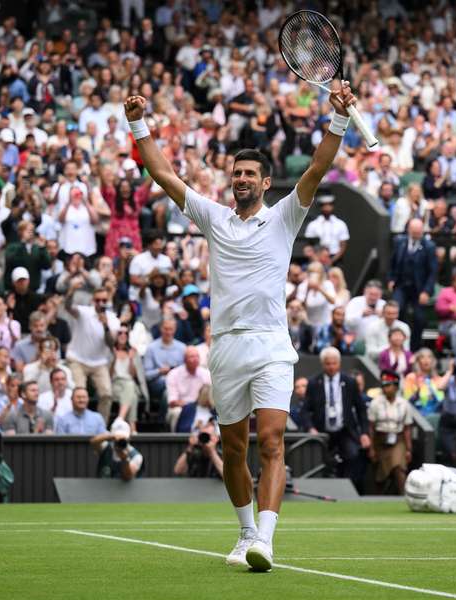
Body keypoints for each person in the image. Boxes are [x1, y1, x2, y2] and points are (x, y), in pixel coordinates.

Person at [125, 79, 356, 571]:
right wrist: (138, 123)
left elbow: (318, 167)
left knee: (271, 440)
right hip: (226, 348)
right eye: (237, 173)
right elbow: (163, 173)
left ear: (266, 182)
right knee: (234, 450)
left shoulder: (286, 216)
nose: (243, 179)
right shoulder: (214, 218)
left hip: (272, 346)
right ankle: (245, 532)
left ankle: (266, 541)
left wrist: (337, 117)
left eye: (251, 173)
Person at [300, 347, 370, 493]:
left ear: (339, 363)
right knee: (320, 460)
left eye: (334, 363)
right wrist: (310, 428)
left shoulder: (350, 382)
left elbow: (361, 409)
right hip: (321, 431)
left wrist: (364, 433)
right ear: (322, 364)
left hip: (345, 430)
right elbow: (305, 410)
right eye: (328, 364)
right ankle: (323, 490)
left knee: (353, 455)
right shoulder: (313, 383)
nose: (331, 367)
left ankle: (347, 489)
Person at [63, 283, 119, 424]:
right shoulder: (84, 312)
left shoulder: (113, 319)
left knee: (106, 394)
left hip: (99, 362)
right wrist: (71, 291)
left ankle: (100, 426)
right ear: (93, 301)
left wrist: (105, 325)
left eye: (104, 301)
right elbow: (68, 307)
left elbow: (111, 343)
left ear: (108, 302)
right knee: (79, 392)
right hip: (77, 359)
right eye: (98, 300)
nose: (101, 303)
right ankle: (76, 424)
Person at [388, 218, 438, 351]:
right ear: (409, 230)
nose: (416, 234)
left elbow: (433, 272)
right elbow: (392, 263)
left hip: (419, 288)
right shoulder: (400, 242)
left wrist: (426, 291)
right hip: (401, 284)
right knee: (397, 311)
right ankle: (396, 345)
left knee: (419, 318)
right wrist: (391, 279)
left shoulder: (429, 246)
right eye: (414, 231)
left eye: (419, 231)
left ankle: (414, 347)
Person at [367, 371, 414, 495]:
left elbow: (407, 428)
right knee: (381, 474)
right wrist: (372, 447)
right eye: (383, 385)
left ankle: (404, 496)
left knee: (399, 467)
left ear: (396, 386)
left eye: (388, 385)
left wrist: (409, 449)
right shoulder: (376, 403)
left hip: (398, 440)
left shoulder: (404, 404)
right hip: (381, 439)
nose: (385, 388)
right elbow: (371, 427)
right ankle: (377, 499)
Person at [165, 347, 211, 431]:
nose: (195, 359)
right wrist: (188, 406)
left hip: (200, 406)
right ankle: (176, 439)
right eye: (192, 357)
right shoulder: (173, 374)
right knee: (175, 412)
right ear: (184, 359)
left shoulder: (206, 373)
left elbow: (210, 398)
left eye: (197, 356)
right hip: (181, 407)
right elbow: (172, 402)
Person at [303, 195, 349, 266]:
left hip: (335, 259)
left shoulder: (341, 224)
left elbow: (343, 246)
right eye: (324, 205)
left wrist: (332, 260)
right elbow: (309, 245)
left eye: (329, 205)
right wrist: (316, 259)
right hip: (317, 259)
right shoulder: (313, 224)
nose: (327, 208)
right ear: (320, 207)